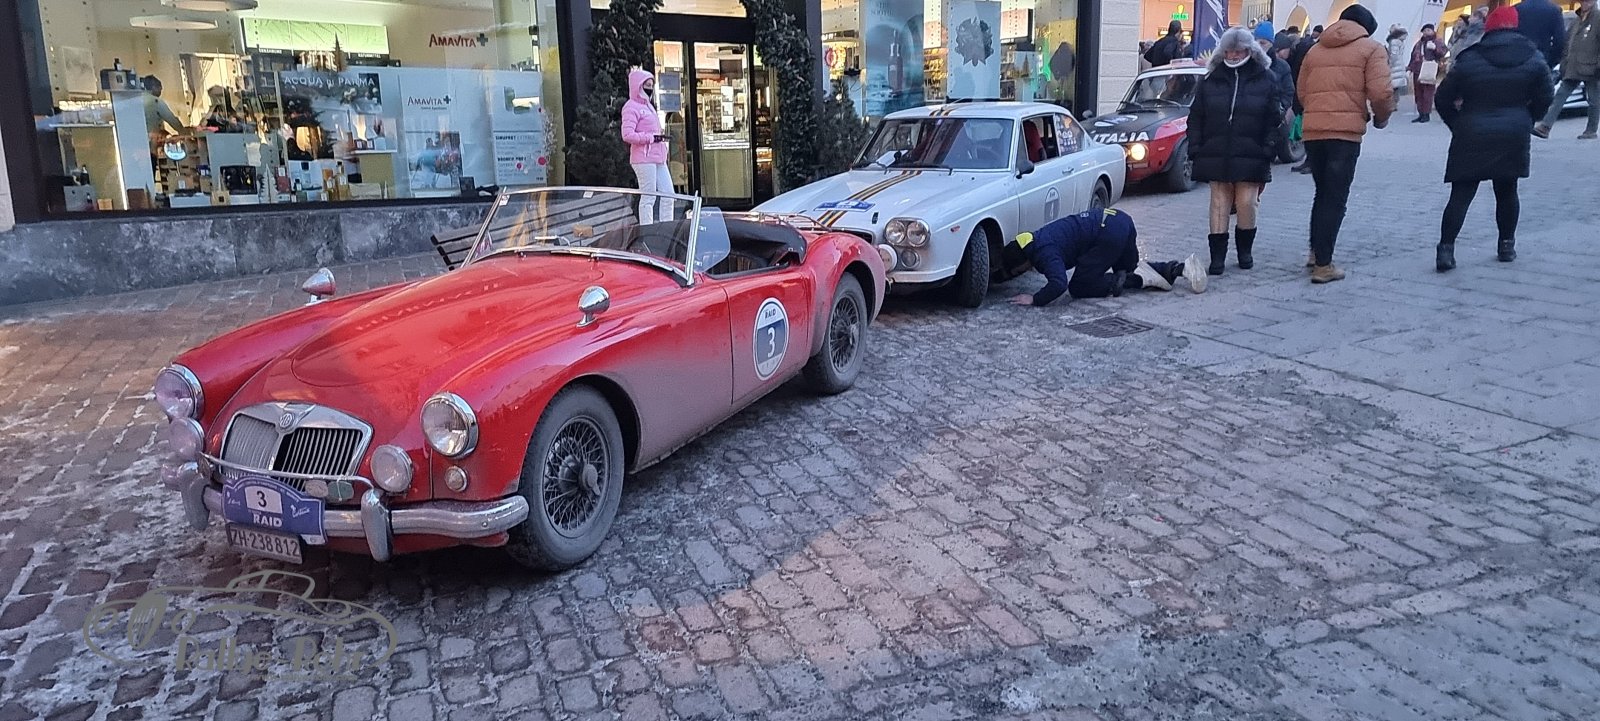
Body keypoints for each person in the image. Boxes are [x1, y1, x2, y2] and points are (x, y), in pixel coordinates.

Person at [1435, 7, 1554, 270]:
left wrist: (1457, 124)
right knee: (1507, 190)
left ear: (1488, 27)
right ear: (1515, 26)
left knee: (1461, 193)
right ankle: (1506, 246)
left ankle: (1445, 250)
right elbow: (1546, 96)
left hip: (1472, 130)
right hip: (1513, 132)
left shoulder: (1470, 58)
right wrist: (1527, 118)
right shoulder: (1533, 57)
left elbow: (1442, 97)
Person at [1296, 4, 1394, 283]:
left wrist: (1317, 112)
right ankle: (1323, 265)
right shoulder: (1371, 49)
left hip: (1314, 132)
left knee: (1322, 193)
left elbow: (1302, 91)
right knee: (1335, 197)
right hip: (1344, 134)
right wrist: (1381, 118)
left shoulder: (1315, 50)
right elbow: (1381, 92)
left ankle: (1315, 251)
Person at [1191, 27, 1283, 275]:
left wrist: (1268, 147)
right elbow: (1196, 115)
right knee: (1219, 204)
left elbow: (1273, 119)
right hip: (1216, 150)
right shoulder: (1210, 80)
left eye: (1238, 51)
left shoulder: (1266, 79)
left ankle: (1245, 251)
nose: (1233, 55)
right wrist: (1195, 146)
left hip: (1252, 152)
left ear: (1249, 51)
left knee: (1247, 203)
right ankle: (1217, 258)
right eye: (1229, 51)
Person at [1007, 208, 1208, 306]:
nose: (1020, 273)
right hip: (1120, 220)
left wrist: (1034, 299)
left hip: (1107, 234)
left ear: (1023, 262)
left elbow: (1059, 284)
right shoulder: (1037, 237)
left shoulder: (1044, 252)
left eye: (1017, 270)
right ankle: (1179, 269)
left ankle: (1116, 281)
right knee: (1132, 269)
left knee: (1078, 287)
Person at [1534, 0, 1600, 139]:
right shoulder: (1577, 20)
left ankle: (1591, 130)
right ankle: (1545, 126)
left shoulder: (1597, 18)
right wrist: (1564, 62)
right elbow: (1567, 42)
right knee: (1560, 95)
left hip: (1592, 67)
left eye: (1588, 1)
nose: (1585, 3)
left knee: (1594, 99)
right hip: (1574, 66)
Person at [621, 68, 673, 224]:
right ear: (638, 85)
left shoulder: (649, 106)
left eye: (651, 85)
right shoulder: (631, 107)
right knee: (648, 197)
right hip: (643, 158)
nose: (649, 88)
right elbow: (627, 134)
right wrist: (651, 138)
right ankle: (646, 229)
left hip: (657, 156)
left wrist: (659, 140)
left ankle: (667, 228)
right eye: (646, 85)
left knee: (669, 195)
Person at [1514, 0, 1567, 71]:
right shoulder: (1554, 10)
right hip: (1543, 60)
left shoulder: (1516, 9)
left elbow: (1511, 35)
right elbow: (1560, 40)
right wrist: (1552, 61)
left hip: (1520, 60)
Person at [1409, 24, 1446, 121]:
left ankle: (1426, 114)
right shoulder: (1419, 43)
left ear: (1433, 31)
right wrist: (1410, 67)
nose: (1426, 32)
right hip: (1418, 69)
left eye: (1428, 30)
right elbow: (1413, 55)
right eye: (1425, 30)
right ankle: (1421, 113)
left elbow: (1442, 53)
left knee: (1427, 92)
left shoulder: (1437, 41)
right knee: (1418, 92)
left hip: (1429, 68)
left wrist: (1435, 49)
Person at [1386, 25, 1410, 98]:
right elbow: (1395, 55)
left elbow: (1393, 55)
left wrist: (1389, 64)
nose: (1405, 37)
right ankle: (1394, 101)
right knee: (1395, 87)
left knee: (1393, 86)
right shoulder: (1397, 42)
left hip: (1395, 67)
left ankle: (1393, 101)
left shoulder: (1394, 42)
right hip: (1398, 66)